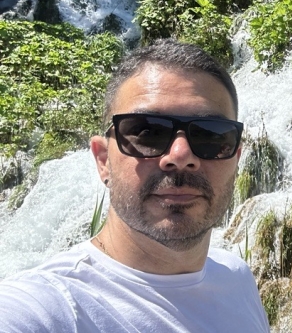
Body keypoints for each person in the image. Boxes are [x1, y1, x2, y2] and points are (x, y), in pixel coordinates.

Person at [0, 39, 270, 332]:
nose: (180, 156)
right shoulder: (50, 308)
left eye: (211, 135)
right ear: (103, 160)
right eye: (147, 132)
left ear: (236, 157)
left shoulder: (237, 280)